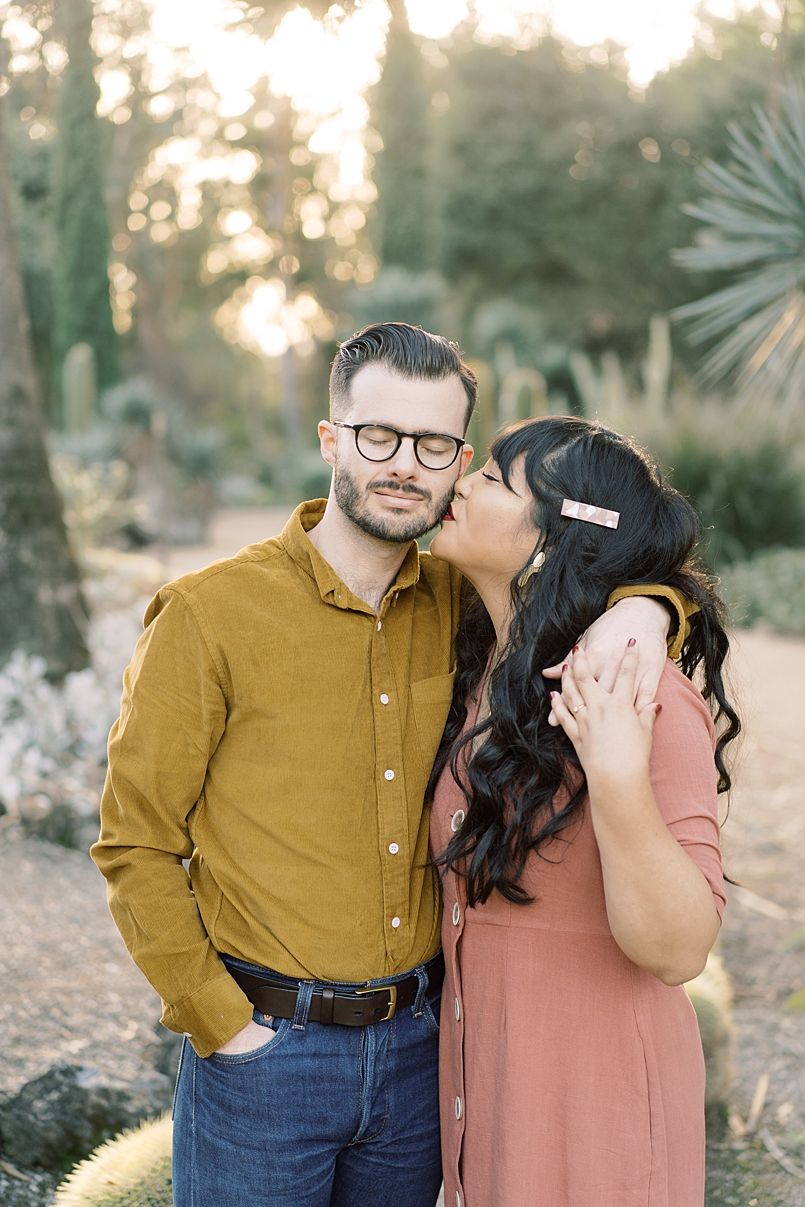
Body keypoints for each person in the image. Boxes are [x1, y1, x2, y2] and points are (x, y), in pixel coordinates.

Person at [91, 325, 687, 1207]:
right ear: (332, 438)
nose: (404, 462)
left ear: (460, 461)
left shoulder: (466, 605)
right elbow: (134, 843)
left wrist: (645, 607)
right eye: (379, 435)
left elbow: (585, 570)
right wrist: (219, 1024)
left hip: (420, 1058)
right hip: (264, 1056)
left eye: (434, 444)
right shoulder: (207, 615)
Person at [427, 414, 741, 1207]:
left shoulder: (636, 694)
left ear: (555, 538)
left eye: (495, 480)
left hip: (597, 1134)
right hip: (492, 1119)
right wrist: (658, 601)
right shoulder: (478, 679)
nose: (461, 482)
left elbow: (678, 948)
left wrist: (616, 778)